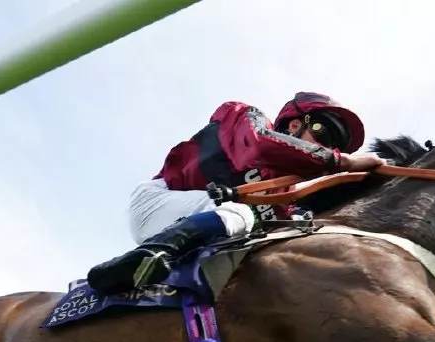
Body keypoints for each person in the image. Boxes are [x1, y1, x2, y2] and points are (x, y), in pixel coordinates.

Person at [86, 92, 386, 296]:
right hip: (157, 204)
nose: (329, 148)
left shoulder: (286, 192)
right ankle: (140, 260)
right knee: (243, 212)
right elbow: (260, 144)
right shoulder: (243, 116)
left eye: (338, 146)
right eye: (324, 135)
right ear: (295, 124)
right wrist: (343, 162)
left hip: (203, 232)